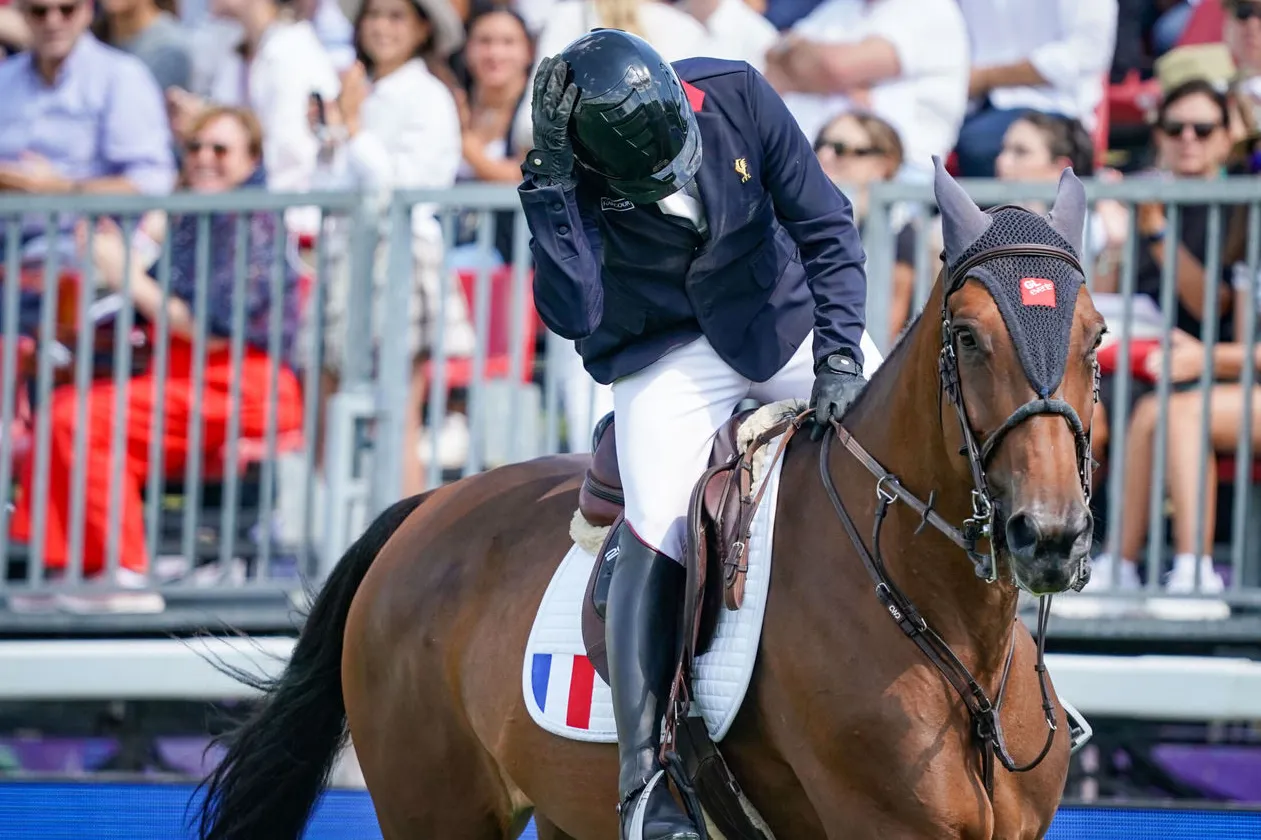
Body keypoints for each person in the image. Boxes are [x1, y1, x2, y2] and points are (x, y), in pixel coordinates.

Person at [517, 30, 882, 840]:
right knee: (659, 520)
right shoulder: (568, 169)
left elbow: (823, 224)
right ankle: (646, 779)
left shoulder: (737, 91)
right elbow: (571, 310)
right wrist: (547, 183)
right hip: (664, 351)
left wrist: (838, 359)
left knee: (902, 441)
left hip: (775, 320)